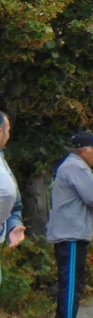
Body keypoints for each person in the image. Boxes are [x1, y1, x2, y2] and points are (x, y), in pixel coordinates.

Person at [46, 131, 93, 318]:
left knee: (73, 284)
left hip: (71, 233)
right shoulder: (76, 167)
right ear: (84, 150)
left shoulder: (71, 166)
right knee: (71, 285)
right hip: (70, 234)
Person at [0, 112, 26, 284]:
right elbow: (7, 193)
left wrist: (13, 224)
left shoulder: (2, 161)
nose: (9, 135)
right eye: (8, 130)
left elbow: (14, 202)